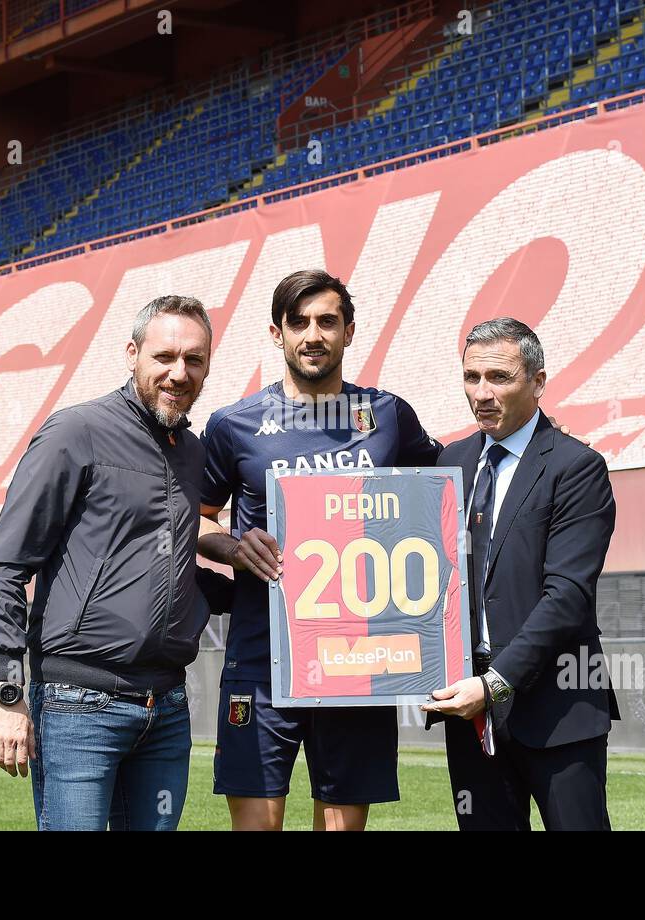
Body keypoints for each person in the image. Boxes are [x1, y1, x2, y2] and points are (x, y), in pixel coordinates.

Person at [0, 294, 232, 831]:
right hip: (77, 706)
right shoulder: (75, 433)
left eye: (194, 360)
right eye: (164, 357)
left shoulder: (191, 452)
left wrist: (266, 580)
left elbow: (166, 568)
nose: (179, 373)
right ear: (132, 353)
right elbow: (1, 567)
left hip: (167, 706)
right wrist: (5, 690)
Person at [197, 269, 441, 831]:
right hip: (263, 656)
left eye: (327, 321)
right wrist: (234, 549)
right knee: (257, 826)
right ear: (276, 333)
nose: (313, 334)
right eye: (298, 322)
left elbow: (443, 490)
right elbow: (197, 522)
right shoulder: (233, 424)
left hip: (357, 660)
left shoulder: (389, 416)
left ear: (349, 332)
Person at [422, 317, 619, 831]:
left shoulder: (577, 467)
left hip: (557, 707)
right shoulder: (451, 463)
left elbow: (568, 596)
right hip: (468, 710)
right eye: (471, 377)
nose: (481, 393)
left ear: (538, 381)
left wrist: (495, 684)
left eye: (499, 378)